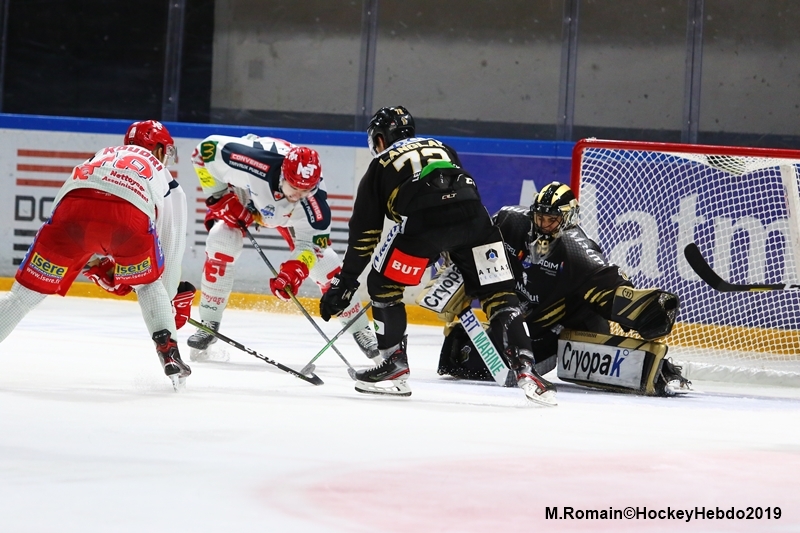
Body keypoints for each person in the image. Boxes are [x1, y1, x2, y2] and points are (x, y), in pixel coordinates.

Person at [318, 105, 556, 405]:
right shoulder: (443, 147)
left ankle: (394, 367)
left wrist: (346, 283)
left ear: (379, 139)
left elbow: (365, 235)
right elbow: (458, 199)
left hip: (424, 225)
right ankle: (526, 369)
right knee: (500, 294)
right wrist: (456, 251)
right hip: (477, 221)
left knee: (383, 285)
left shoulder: (379, 165)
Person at [433, 181, 691, 396]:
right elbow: (476, 246)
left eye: (552, 220)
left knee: (514, 369)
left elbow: (611, 289)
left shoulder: (577, 251)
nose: (544, 224)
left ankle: (663, 369)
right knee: (460, 357)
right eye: (540, 217)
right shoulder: (509, 221)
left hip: (570, 327)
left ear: (567, 218)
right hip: (528, 319)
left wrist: (645, 309)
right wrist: (456, 273)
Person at [0, 120, 193, 390]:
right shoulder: (164, 175)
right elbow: (170, 250)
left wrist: (93, 263)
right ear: (159, 149)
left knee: (22, 297)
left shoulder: (102, 154)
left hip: (70, 215)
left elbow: (67, 208)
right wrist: (168, 303)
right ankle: (168, 352)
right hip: (129, 218)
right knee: (149, 284)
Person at [186, 133, 379, 362]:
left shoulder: (314, 202)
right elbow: (202, 152)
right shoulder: (250, 160)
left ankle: (360, 329)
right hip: (247, 192)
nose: (298, 194)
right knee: (222, 240)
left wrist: (296, 270)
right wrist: (218, 197)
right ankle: (208, 322)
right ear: (282, 174)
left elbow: (312, 247)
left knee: (326, 265)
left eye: (305, 190)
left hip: (287, 215)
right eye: (294, 187)